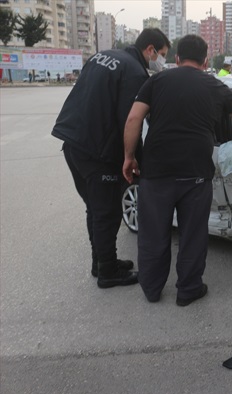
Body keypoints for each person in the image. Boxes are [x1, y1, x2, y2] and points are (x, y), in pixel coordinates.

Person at [122, 35, 232, 306]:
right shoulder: (216, 86)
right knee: (193, 235)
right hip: (196, 176)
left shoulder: (155, 81)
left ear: (177, 59)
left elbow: (133, 118)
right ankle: (188, 290)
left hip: (156, 175)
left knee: (153, 235)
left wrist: (129, 157)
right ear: (205, 61)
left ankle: (152, 289)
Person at [51, 28, 171, 288]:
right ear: (150, 49)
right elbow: (131, 122)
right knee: (107, 212)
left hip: (72, 143)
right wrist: (135, 159)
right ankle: (107, 271)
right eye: (161, 54)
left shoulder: (102, 56)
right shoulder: (135, 72)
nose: (161, 60)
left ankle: (101, 262)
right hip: (96, 152)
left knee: (95, 208)